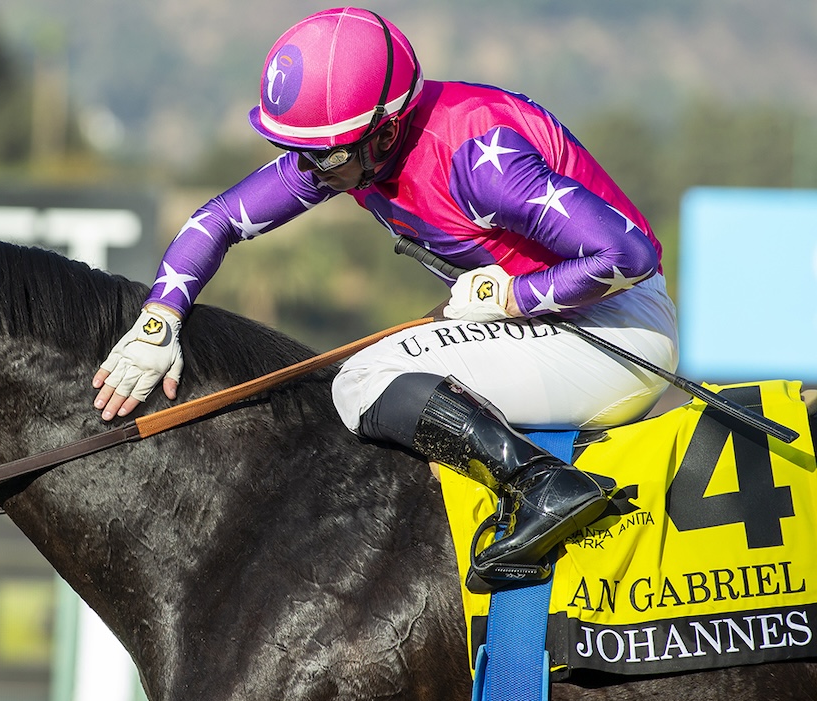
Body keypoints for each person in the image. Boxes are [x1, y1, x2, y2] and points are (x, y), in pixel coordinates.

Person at [91, 7, 678, 588]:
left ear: (388, 131)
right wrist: (158, 322)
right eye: (303, 152)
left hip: (616, 328)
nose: (311, 172)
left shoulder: (479, 163)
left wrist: (514, 297)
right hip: (557, 322)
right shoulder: (349, 151)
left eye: (328, 155)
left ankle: (541, 486)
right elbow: (217, 219)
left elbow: (631, 257)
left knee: (361, 380)